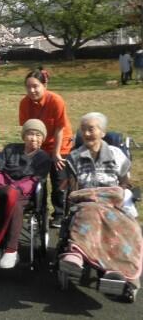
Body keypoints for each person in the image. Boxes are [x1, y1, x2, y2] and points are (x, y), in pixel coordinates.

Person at [60, 112, 142, 290]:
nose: (87, 134)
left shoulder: (117, 155)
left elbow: (124, 184)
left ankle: (117, 271)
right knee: (89, 212)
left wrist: (117, 196)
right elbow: (74, 191)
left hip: (112, 204)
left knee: (130, 228)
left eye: (91, 129)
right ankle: (77, 254)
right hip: (86, 203)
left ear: (103, 132)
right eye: (83, 130)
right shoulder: (74, 157)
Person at [0, 120, 52, 269]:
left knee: (14, 203)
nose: (33, 138)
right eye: (30, 134)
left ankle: (11, 250)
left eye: (38, 135)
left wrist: (14, 189)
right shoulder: (10, 149)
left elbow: (35, 180)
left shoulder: (43, 158)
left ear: (42, 139)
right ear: (23, 136)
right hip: (1, 187)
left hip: (25, 195)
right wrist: (1, 186)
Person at [19, 69, 72, 227]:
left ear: (45, 85)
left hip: (59, 142)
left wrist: (56, 153)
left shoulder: (56, 100)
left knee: (59, 179)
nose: (32, 90)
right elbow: (27, 129)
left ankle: (59, 214)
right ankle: (38, 211)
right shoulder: (24, 103)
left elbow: (59, 129)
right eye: (28, 87)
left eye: (36, 86)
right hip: (38, 142)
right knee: (35, 178)